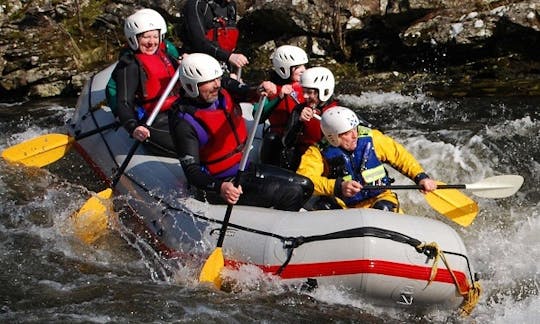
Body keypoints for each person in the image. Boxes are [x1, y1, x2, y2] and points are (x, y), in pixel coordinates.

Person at [168, 53, 314, 211]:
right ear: (191, 86)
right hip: (220, 182)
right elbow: (192, 171)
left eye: (217, 78)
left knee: (305, 185)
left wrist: (259, 90)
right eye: (209, 81)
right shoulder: (183, 121)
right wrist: (220, 187)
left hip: (244, 167)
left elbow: (247, 91)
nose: (217, 84)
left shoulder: (222, 87)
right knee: (291, 193)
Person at [297, 106, 438, 212]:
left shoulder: (373, 138)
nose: (354, 136)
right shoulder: (317, 152)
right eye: (347, 133)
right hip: (344, 205)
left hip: (379, 197)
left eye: (355, 129)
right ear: (333, 137)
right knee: (324, 206)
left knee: (383, 208)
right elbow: (304, 180)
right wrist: (337, 187)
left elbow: (399, 155)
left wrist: (421, 177)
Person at [110, 8, 184, 157]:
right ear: (134, 39)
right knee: (189, 148)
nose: (152, 42)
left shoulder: (165, 55)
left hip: (179, 110)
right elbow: (124, 102)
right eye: (146, 37)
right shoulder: (129, 65)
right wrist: (133, 126)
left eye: (155, 37)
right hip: (155, 119)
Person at [256, 45, 309, 166]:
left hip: (301, 136)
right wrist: (279, 97)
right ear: (283, 68)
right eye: (297, 67)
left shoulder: (306, 86)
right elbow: (258, 117)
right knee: (272, 139)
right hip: (280, 139)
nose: (303, 69)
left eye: (304, 66)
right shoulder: (270, 88)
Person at [181, 0, 248, 77]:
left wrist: (232, 71)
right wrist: (229, 57)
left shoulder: (231, 6)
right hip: (198, 67)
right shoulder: (196, 4)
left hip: (222, 67)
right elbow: (199, 43)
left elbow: (228, 42)